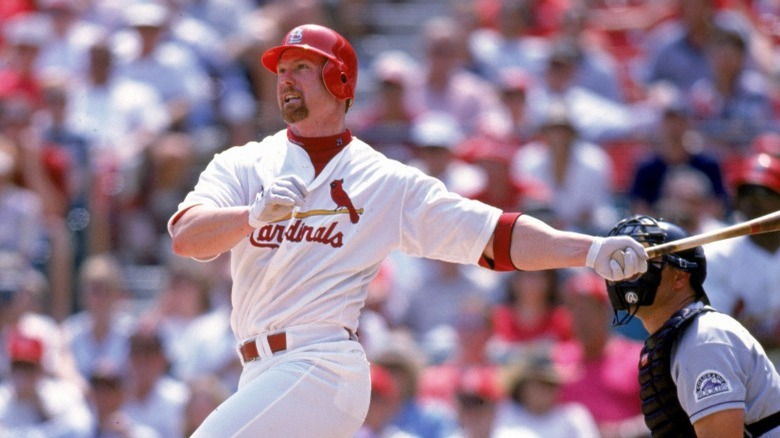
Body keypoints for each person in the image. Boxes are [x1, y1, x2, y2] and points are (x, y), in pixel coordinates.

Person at [167, 23, 649, 437]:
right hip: (257, 370)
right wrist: (251, 215)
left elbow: (491, 235)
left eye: (300, 68)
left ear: (339, 78)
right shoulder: (245, 163)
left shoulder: (383, 181)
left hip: (321, 363)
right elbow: (187, 237)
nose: (285, 80)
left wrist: (589, 250)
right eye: (281, 70)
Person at [604, 215, 780, 437]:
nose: (626, 273)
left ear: (680, 276)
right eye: (622, 262)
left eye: (642, 261)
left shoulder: (703, 339)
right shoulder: (678, 341)